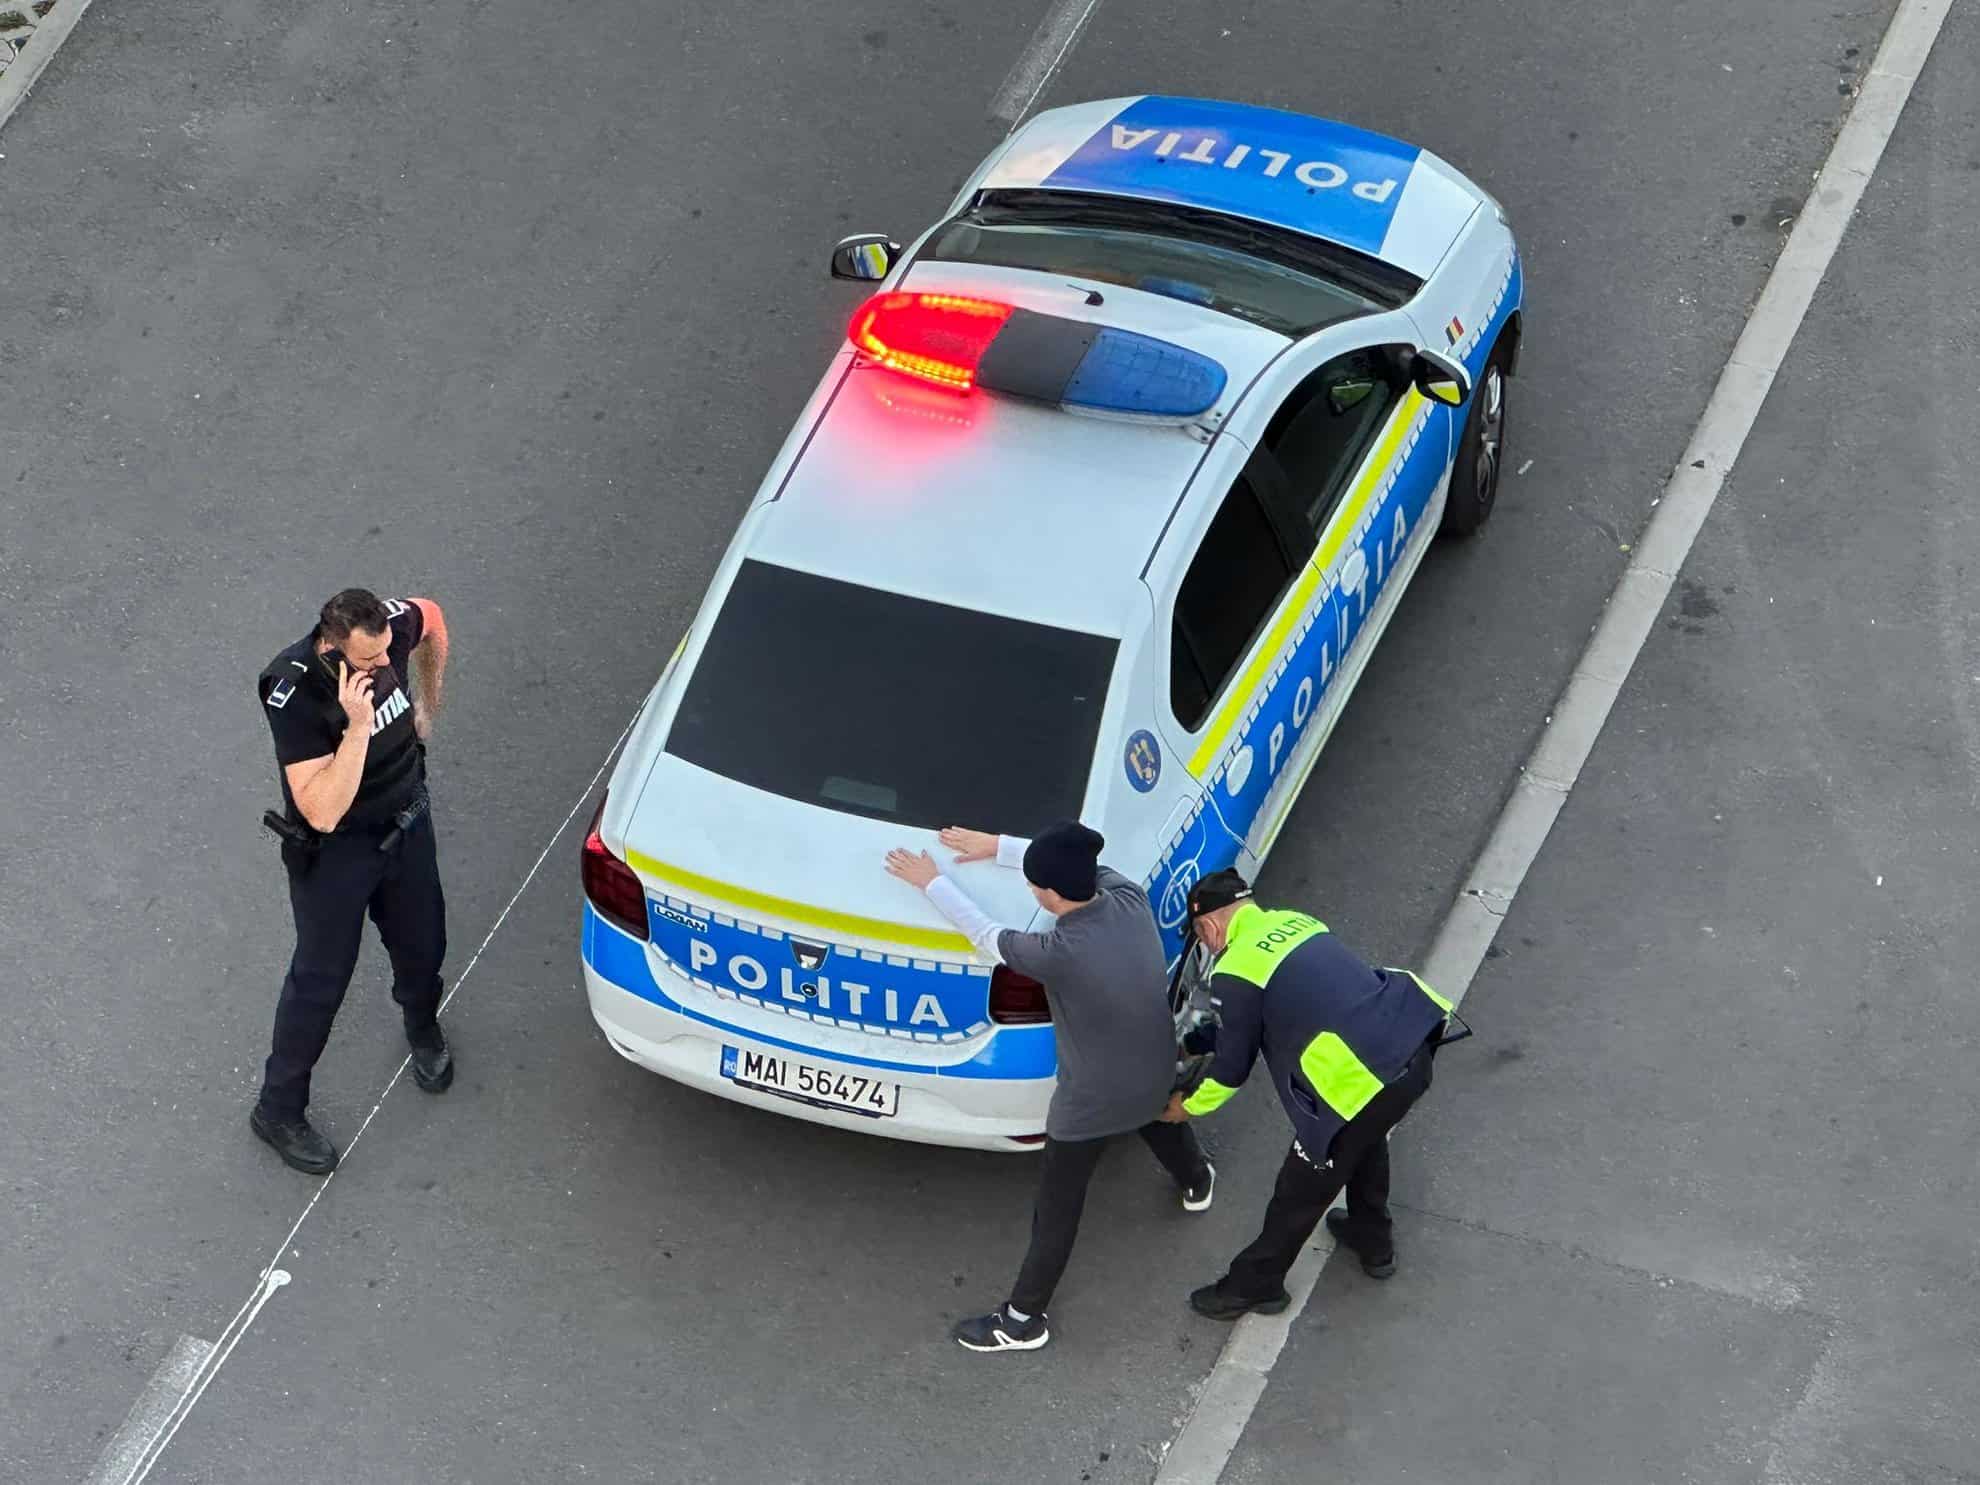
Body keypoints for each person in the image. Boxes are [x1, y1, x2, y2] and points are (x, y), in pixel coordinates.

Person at [885, 820, 1213, 1353]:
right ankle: (1196, 1181)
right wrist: (998, 847)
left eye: (1034, 884)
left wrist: (930, 880)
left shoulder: (1059, 951)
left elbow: (986, 934)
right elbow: (1083, 872)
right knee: (1154, 1117)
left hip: (1089, 1103)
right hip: (1156, 1068)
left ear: (1049, 894)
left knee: (1057, 1211)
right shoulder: (1128, 898)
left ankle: (1021, 1320)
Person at [1160, 868, 1454, 1319]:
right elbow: (1268, 1013)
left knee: (1299, 1190)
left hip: (1358, 1086)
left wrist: (1188, 1106)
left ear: (1208, 926)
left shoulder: (1235, 968)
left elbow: (1232, 1070)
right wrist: (1199, 1041)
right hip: (1409, 1052)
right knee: (1363, 1141)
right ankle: (1373, 1241)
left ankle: (1253, 1287)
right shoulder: (1299, 922)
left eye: (1200, 937)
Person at [250, 588, 455, 1175]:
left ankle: (423, 1025)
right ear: (332, 647)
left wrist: (429, 704)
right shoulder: (294, 692)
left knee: (424, 942)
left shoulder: (387, 632)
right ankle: (278, 1110)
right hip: (340, 851)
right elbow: (322, 810)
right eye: (369, 663)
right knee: (319, 982)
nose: (384, 667)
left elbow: (433, 618)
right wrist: (359, 727)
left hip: (406, 821)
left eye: (388, 654)